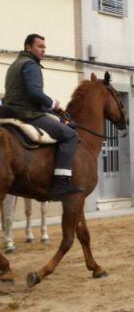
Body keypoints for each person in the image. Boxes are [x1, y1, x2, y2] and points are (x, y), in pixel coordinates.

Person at [3, 34, 81, 199]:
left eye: (44, 47)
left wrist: (51, 109)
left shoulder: (15, 65)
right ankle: (61, 182)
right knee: (70, 135)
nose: (43, 50)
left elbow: (24, 94)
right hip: (28, 113)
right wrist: (53, 103)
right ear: (28, 47)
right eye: (39, 46)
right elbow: (34, 93)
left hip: (13, 110)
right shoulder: (31, 65)